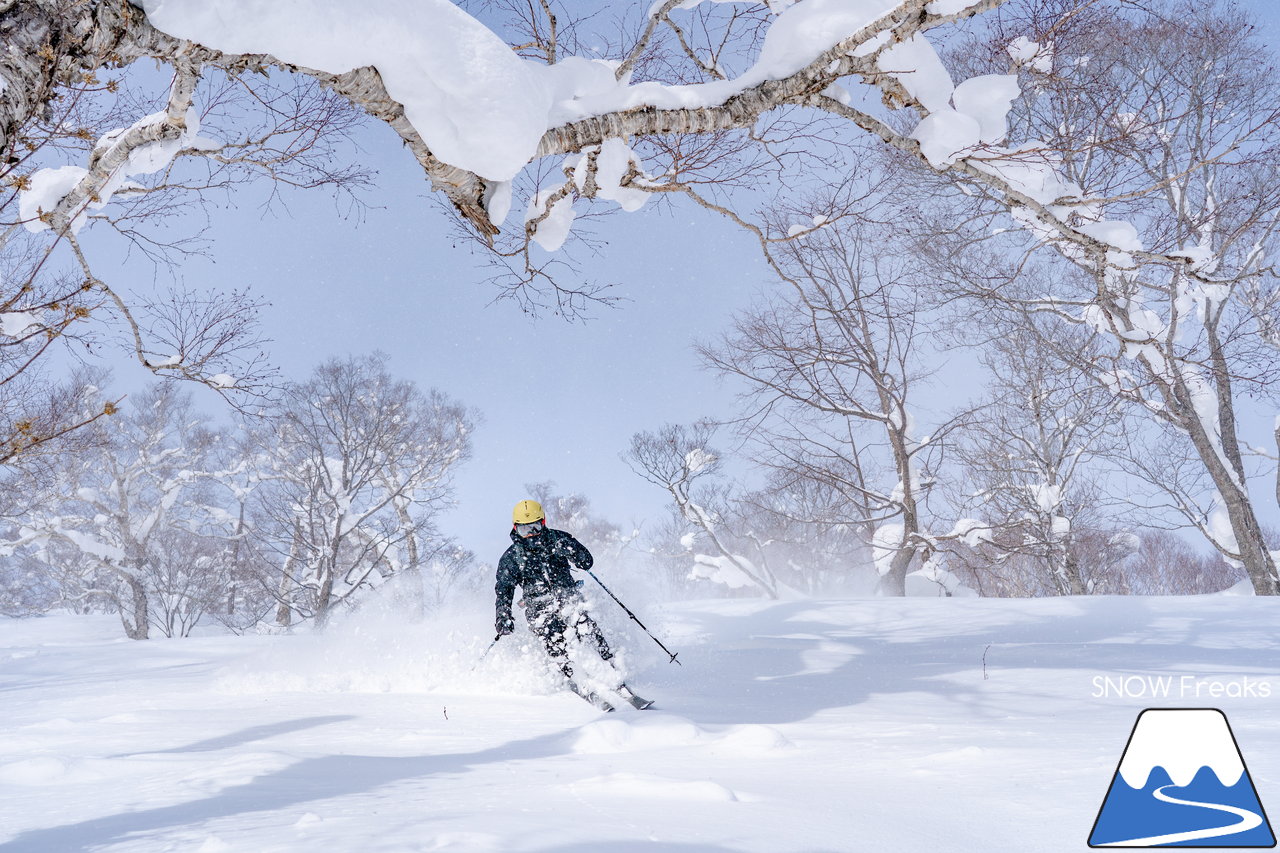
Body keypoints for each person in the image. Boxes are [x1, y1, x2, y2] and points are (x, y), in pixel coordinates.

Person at [494, 499, 652, 711]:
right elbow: (504, 588)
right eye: (524, 529)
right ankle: (576, 678)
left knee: (588, 629)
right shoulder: (512, 557)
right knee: (553, 638)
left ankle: (612, 672)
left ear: (543, 522)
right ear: (515, 528)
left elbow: (586, 561)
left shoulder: (557, 539)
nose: (531, 534)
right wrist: (503, 615)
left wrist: (571, 550)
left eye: (535, 527)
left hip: (568, 599)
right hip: (538, 608)